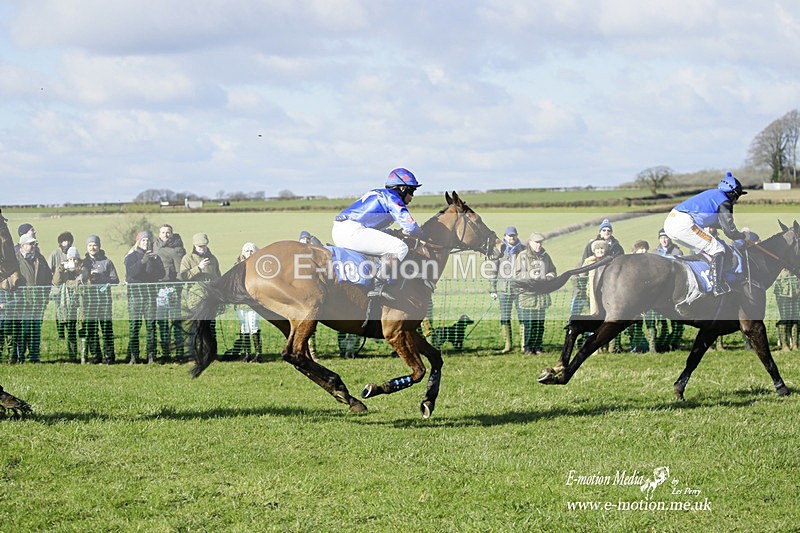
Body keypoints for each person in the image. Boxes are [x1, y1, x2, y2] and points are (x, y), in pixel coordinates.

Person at [331, 167, 423, 300]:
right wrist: (424, 235)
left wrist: (393, 232)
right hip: (352, 232)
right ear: (402, 189)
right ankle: (379, 286)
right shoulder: (393, 198)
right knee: (400, 247)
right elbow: (411, 227)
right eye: (411, 191)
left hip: (341, 230)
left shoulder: (379, 193)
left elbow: (371, 228)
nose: (412, 197)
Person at [664, 172, 748, 296]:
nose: (736, 202)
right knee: (717, 248)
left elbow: (718, 223)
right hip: (683, 224)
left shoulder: (713, 194)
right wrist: (741, 236)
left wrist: (729, 229)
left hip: (671, 222)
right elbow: (729, 231)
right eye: (737, 197)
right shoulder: (725, 201)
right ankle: (717, 287)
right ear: (733, 193)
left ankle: (702, 280)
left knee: (704, 250)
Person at [124, 231, 165, 364]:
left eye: (148, 240)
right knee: (135, 326)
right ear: (138, 242)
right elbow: (132, 273)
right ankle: (133, 356)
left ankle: (151, 356)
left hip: (150, 296)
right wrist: (143, 261)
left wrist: (153, 262)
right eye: (143, 240)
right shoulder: (131, 257)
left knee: (151, 326)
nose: (145, 243)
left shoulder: (155, 257)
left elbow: (160, 274)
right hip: (135, 296)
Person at [180, 233, 222, 360]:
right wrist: (198, 268)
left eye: (204, 246)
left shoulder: (213, 259)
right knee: (195, 328)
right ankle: (192, 355)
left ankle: (210, 354)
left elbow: (218, 276)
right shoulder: (187, 258)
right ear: (194, 245)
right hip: (195, 299)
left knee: (210, 327)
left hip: (211, 298)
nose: (202, 248)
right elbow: (183, 276)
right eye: (199, 246)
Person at [514, 232, 557, 355]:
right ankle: (528, 348)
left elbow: (552, 270)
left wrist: (550, 276)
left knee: (539, 324)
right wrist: (532, 275)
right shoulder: (522, 256)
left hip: (542, 296)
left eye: (540, 242)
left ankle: (538, 347)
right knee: (529, 324)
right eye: (536, 242)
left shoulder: (545, 256)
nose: (538, 245)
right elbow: (517, 274)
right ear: (530, 243)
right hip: (528, 295)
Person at [79, 235, 119, 364]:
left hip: (104, 301)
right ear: (87, 247)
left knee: (106, 328)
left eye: (95, 245)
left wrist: (101, 278)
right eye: (90, 245)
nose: (92, 247)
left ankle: (109, 356)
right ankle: (95, 356)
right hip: (89, 300)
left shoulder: (107, 262)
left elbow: (115, 280)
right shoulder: (83, 263)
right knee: (91, 329)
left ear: (99, 246)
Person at [14, 233, 52, 363]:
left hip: (38, 302)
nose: (33, 246)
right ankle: (20, 357)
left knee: (35, 331)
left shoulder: (40, 259)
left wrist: (45, 297)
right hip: (22, 303)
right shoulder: (15, 260)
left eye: (33, 244)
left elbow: (48, 279)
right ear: (22, 245)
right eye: (30, 244)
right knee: (22, 331)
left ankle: (35, 356)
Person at [153, 224, 187, 361]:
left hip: (172, 287)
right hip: (158, 288)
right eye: (162, 232)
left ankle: (179, 352)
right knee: (162, 321)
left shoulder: (177, 248)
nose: (165, 235)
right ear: (159, 233)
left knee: (175, 320)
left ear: (172, 234)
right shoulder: (153, 245)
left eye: (168, 232)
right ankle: (165, 353)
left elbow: (180, 270)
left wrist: (177, 287)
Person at [489, 226, 525, 354]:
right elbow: (493, 271)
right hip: (503, 290)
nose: (512, 238)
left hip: (520, 290)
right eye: (509, 236)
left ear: (517, 236)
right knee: (505, 317)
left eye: (514, 235)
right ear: (505, 236)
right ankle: (508, 345)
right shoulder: (499, 251)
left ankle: (523, 345)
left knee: (523, 317)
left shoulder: (523, 250)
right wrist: (492, 289)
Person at [226, 242, 262, 362]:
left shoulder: (259, 266)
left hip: (253, 302)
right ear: (243, 252)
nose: (249, 253)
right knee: (244, 327)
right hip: (241, 302)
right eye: (247, 250)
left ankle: (258, 354)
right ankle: (247, 354)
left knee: (254, 326)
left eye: (252, 250)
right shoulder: (237, 266)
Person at [651, 229, 684, 352]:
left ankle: (675, 343)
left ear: (670, 238)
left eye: (666, 237)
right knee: (661, 322)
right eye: (661, 238)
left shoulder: (677, 251)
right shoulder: (655, 252)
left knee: (677, 321)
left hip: (675, 289)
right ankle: (661, 344)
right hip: (659, 291)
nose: (664, 240)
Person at [52, 246, 82, 361]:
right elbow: (56, 281)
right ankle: (72, 355)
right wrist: (60, 269)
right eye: (70, 259)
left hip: (79, 304)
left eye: (75, 259)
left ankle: (85, 355)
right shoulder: (63, 270)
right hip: (66, 304)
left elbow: (83, 280)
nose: (73, 262)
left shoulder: (82, 269)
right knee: (70, 330)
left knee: (83, 330)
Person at [48, 231, 75, 341]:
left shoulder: (73, 253)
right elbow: (49, 269)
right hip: (58, 286)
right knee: (59, 309)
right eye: (63, 241)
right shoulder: (55, 254)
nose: (66, 243)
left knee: (71, 309)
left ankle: (70, 332)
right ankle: (61, 334)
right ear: (60, 242)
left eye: (68, 240)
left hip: (70, 286)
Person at [774, 268, 800, 352]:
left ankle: (795, 344)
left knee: (796, 318)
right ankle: (784, 345)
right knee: (784, 318)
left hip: (796, 287)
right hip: (782, 288)